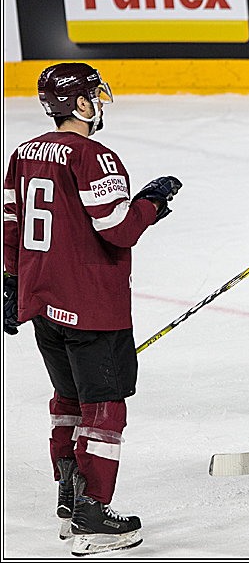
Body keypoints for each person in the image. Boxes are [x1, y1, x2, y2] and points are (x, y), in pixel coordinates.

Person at [2, 63, 181, 556]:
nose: (99, 103)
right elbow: (118, 228)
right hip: (92, 307)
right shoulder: (95, 157)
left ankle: (69, 498)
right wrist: (152, 201)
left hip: (43, 303)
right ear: (80, 104)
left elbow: (11, 223)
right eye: (94, 96)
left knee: (67, 398)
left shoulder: (22, 154)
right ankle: (93, 514)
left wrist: (10, 282)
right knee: (103, 408)